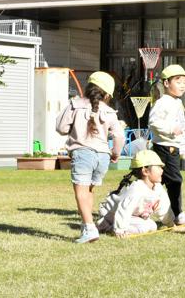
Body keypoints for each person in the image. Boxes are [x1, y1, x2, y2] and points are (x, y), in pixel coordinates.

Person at [56, 71, 125, 244]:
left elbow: (61, 127)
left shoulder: (75, 104)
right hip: (103, 156)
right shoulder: (110, 111)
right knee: (89, 191)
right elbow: (119, 136)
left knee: (80, 192)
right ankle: (88, 224)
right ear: (108, 94)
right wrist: (115, 153)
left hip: (82, 154)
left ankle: (89, 227)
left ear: (87, 87)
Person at [149, 64, 185, 226]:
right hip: (164, 147)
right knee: (174, 181)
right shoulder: (162, 103)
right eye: (178, 81)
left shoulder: (177, 103)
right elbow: (153, 122)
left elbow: (180, 122)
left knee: (159, 183)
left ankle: (169, 213)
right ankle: (178, 215)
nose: (182, 85)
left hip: (172, 147)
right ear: (166, 83)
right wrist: (171, 129)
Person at [97, 150, 175, 237]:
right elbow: (124, 209)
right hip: (111, 214)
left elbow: (163, 208)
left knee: (152, 226)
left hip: (133, 216)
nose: (162, 170)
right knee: (143, 228)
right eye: (158, 167)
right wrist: (120, 230)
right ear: (145, 171)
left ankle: (115, 226)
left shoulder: (158, 188)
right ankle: (105, 225)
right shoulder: (136, 189)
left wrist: (171, 224)